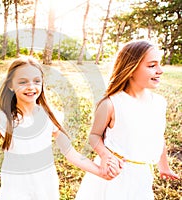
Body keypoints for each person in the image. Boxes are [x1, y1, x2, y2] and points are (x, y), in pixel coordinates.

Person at [0, 56, 120, 199]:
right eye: (23, 82)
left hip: (45, 188)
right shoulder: (3, 120)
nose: (31, 87)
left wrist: (100, 172)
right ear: (11, 85)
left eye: (36, 81)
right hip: (15, 190)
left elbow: (72, 154)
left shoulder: (49, 117)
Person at [75, 40, 180, 200]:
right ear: (130, 69)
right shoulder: (111, 104)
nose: (160, 70)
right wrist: (105, 156)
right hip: (114, 176)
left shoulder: (159, 103)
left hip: (142, 177)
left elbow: (158, 137)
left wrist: (163, 166)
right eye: (152, 66)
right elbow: (94, 136)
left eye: (159, 64)